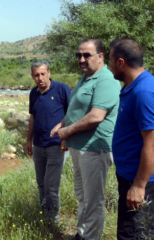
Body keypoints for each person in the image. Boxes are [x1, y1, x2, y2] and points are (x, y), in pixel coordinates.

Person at [50, 38, 121, 240]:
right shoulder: (86, 77)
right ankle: (82, 234)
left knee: (94, 200)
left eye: (86, 55)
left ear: (100, 57)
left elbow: (96, 116)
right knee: (82, 196)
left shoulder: (106, 80)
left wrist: (67, 132)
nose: (81, 59)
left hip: (95, 148)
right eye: (78, 55)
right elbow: (77, 108)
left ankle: (91, 237)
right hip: (79, 147)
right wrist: (62, 124)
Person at [109, 39, 154, 239]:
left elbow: (152, 143)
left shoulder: (143, 92)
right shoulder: (133, 87)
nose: (108, 67)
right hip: (129, 176)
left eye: (110, 61)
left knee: (136, 233)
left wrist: (139, 185)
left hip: (141, 182)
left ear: (120, 63)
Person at [26, 60, 71, 223]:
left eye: (43, 74)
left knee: (51, 185)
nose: (40, 78)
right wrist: (28, 140)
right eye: (36, 75)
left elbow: (71, 114)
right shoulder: (33, 93)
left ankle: (54, 219)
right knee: (41, 184)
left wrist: (65, 137)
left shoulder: (62, 89)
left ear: (49, 73)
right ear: (32, 76)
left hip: (56, 146)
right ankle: (44, 215)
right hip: (38, 146)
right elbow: (33, 117)